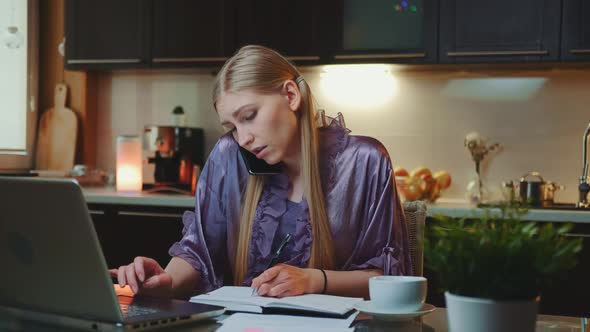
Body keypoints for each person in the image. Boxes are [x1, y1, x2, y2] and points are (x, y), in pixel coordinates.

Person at [110, 45, 411, 300]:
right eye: (232, 127)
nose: (243, 138)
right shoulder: (229, 156)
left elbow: (388, 277)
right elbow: (199, 251)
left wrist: (315, 280)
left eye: (249, 117)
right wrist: (166, 280)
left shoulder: (366, 161)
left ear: (291, 95)